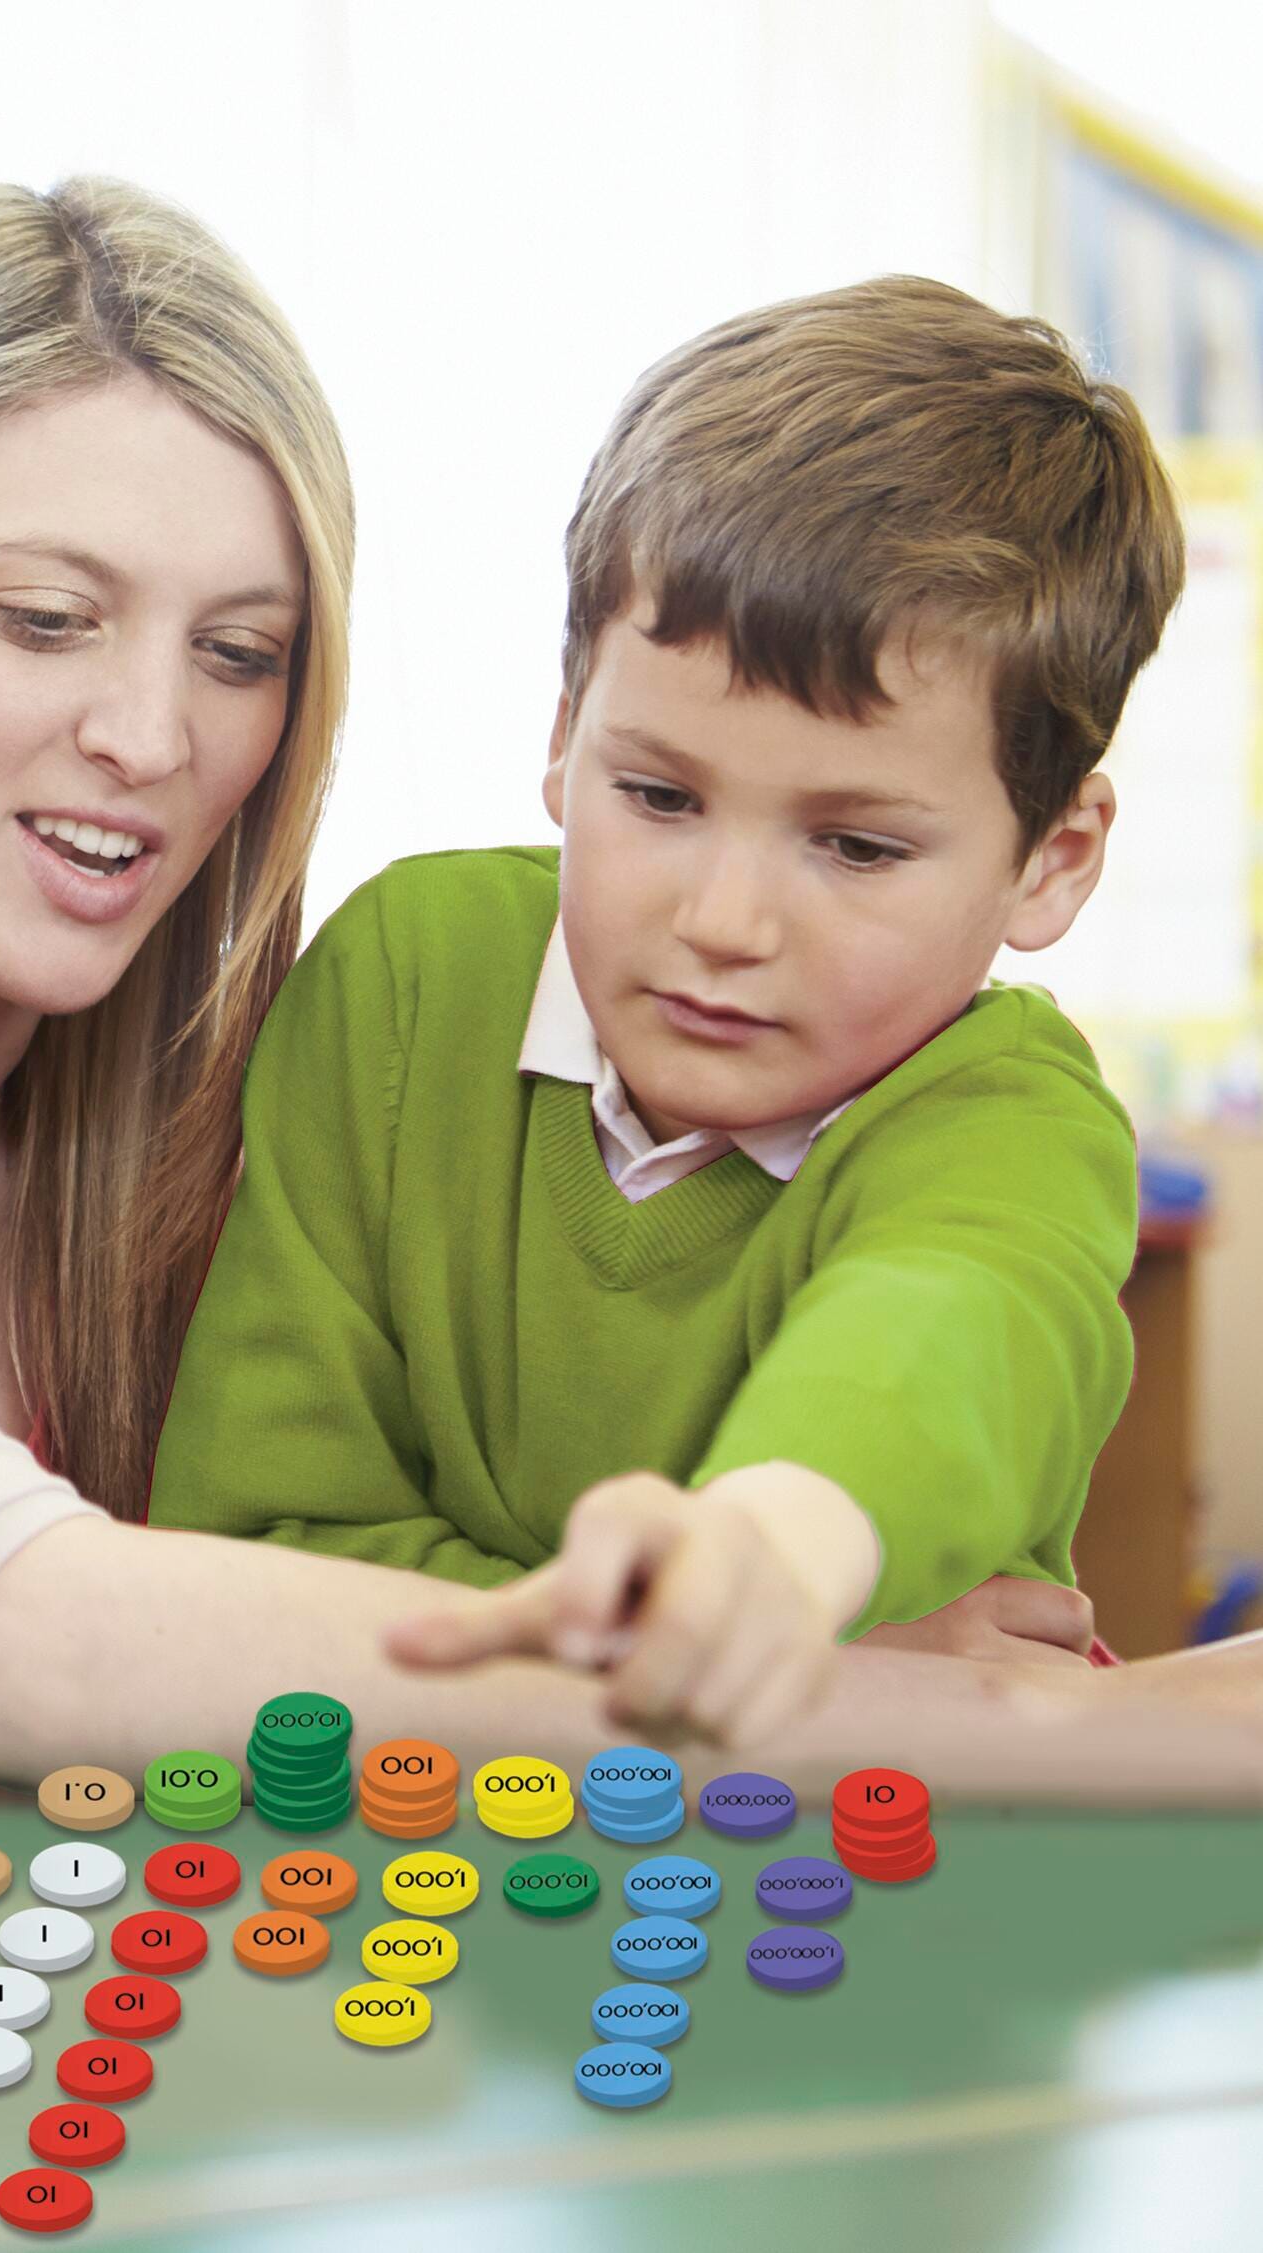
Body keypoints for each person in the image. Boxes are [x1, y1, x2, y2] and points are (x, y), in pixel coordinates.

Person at [0, 180, 1263, 1802]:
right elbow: (28, 1634)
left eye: (242, 653)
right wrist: (921, 1704)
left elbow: (944, 1322)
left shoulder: (182, 1090)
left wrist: (787, 1580)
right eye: (47, 619)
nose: (153, 734)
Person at [154, 277, 1181, 1746]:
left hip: (822, 1866)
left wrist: (777, 1549)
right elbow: (253, 1555)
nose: (724, 923)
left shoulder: (1011, 1123)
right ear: (563, 735)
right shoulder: (407, 979)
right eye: (658, 795)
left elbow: (950, 1331)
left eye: (857, 846)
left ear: (1053, 860)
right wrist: (812, 1669)